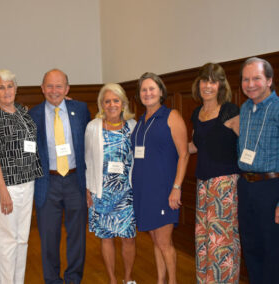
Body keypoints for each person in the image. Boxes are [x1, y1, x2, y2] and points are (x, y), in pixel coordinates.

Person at [29, 69, 90, 284]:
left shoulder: (81, 109)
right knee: (48, 237)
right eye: (50, 86)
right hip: (47, 182)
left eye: (59, 86)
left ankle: (73, 279)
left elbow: (89, 145)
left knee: (77, 237)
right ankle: (52, 280)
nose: (54, 91)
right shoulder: (32, 115)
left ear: (67, 89)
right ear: (42, 88)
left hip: (76, 181)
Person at [0, 69, 43, 284]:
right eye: (1, 87)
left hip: (28, 182)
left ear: (16, 89)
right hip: (6, 186)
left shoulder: (22, 111)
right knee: (9, 240)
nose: (6, 90)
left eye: (10, 86)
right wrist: (2, 191)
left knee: (22, 240)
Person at [131, 72, 189, 284]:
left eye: (152, 89)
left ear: (161, 92)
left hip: (163, 191)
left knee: (164, 242)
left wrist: (177, 187)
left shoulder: (171, 116)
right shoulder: (140, 121)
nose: (148, 93)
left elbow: (183, 154)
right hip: (143, 191)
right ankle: (160, 280)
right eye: (144, 90)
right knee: (155, 240)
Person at [188, 63, 241, 283]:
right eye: (204, 80)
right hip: (203, 184)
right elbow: (195, 146)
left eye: (213, 81)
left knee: (222, 244)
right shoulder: (196, 113)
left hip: (225, 186)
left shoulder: (230, 110)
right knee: (203, 242)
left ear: (220, 85)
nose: (207, 86)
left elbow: (246, 146)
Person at [85, 83, 137, 284]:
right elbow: (87, 159)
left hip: (127, 191)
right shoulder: (93, 127)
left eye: (116, 100)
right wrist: (89, 189)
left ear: (123, 103)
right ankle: (113, 280)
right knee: (106, 237)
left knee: (129, 237)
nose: (112, 104)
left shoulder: (132, 125)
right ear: (101, 105)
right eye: (107, 101)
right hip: (102, 191)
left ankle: (128, 278)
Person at [237, 57, 279, 284]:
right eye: (246, 79)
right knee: (251, 246)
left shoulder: (277, 108)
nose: (250, 84)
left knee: (273, 250)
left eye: (256, 78)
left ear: (269, 80)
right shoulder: (245, 108)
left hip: (271, 188)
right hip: (246, 187)